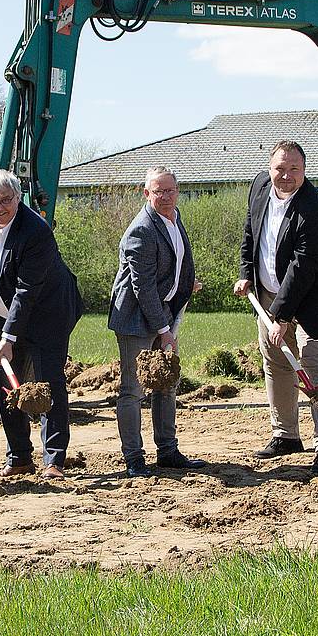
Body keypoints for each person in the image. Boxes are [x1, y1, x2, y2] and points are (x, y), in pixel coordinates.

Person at [234, 141, 318, 477]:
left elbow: (303, 268)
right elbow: (251, 232)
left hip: (317, 299)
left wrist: (282, 316)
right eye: (280, 169)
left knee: (316, 365)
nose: (286, 176)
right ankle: (286, 434)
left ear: (305, 171)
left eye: (294, 170)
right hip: (269, 294)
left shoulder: (314, 210)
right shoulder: (260, 187)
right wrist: (247, 273)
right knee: (276, 362)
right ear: (270, 167)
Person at [0, 169, 83, 480]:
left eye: (6, 200)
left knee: (46, 385)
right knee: (5, 384)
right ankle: (19, 457)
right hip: (3, 315)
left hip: (47, 314)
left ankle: (54, 460)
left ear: (19, 198)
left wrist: (9, 337)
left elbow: (26, 291)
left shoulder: (36, 231)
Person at [108, 167, 207, 478]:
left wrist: (184, 284)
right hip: (136, 318)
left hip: (161, 310)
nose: (165, 197)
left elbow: (176, 263)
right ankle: (134, 459)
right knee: (133, 390)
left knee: (166, 383)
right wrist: (164, 331)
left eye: (170, 190)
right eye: (159, 191)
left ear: (177, 191)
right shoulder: (141, 230)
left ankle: (167, 451)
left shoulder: (174, 218)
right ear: (146, 193)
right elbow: (143, 287)